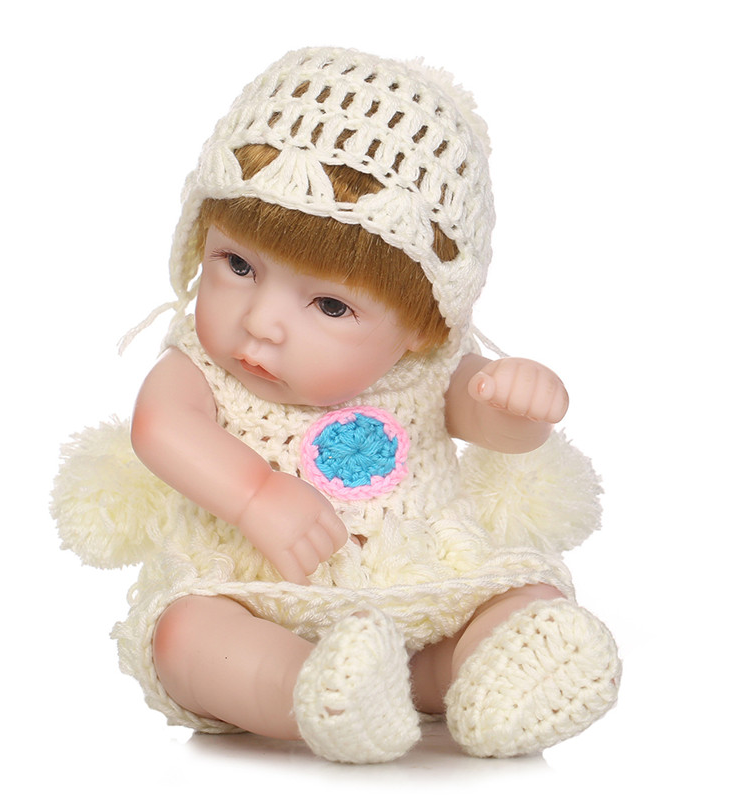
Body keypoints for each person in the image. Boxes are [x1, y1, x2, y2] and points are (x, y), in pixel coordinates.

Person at [54, 47, 620, 764]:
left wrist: (517, 406)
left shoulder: (427, 373)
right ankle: (313, 692)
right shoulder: (200, 367)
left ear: (423, 327)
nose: (262, 322)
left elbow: (494, 426)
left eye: (328, 305)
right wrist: (256, 494)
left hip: (425, 584)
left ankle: (502, 669)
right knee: (185, 637)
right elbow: (161, 426)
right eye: (238, 265)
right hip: (253, 595)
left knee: (522, 594)